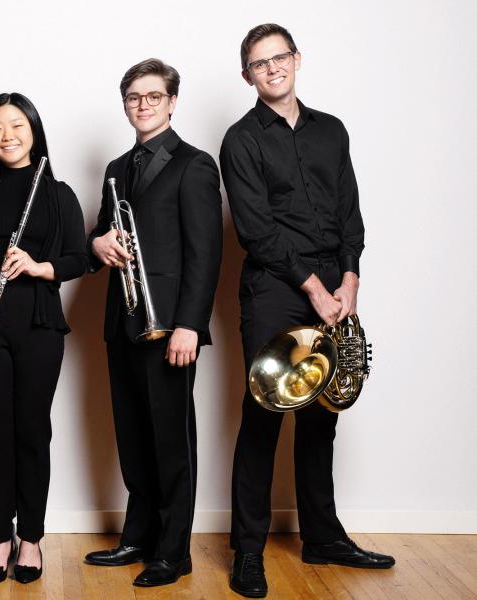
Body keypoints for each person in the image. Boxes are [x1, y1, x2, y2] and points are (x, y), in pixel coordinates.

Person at [220, 23, 394, 598]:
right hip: (274, 287)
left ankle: (322, 536)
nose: (272, 69)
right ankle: (248, 550)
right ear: (247, 75)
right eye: (259, 63)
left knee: (323, 413)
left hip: (333, 284)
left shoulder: (332, 131)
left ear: (297, 60)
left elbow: (351, 211)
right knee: (263, 412)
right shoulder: (240, 139)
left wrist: (349, 277)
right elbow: (256, 231)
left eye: (280, 58)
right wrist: (315, 289)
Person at [84, 58, 222, 588]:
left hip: (170, 327)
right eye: (133, 97)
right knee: (133, 437)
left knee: (171, 441)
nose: (142, 105)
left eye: (153, 96)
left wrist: (190, 324)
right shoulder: (117, 167)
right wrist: (97, 243)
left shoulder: (195, 164)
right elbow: (102, 232)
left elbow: (205, 255)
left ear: (171, 102)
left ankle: (174, 551)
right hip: (123, 320)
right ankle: (137, 537)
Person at [0, 92, 88, 585]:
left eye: (17, 126)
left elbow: (79, 257)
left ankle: (30, 537)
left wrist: (38, 266)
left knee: (32, 430)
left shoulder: (56, 193)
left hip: (38, 326)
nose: (7, 136)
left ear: (33, 129)